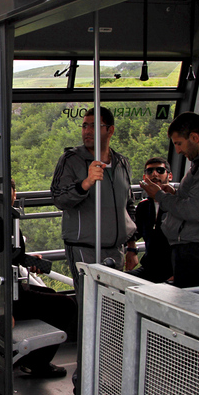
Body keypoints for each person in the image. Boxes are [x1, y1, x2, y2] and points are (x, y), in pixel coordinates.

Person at [51, 107, 138, 290]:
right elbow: (59, 198)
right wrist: (86, 183)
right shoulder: (70, 160)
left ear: (110, 130)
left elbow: (128, 206)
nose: (87, 131)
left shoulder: (122, 163)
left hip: (117, 249)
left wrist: (131, 246)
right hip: (84, 248)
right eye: (84, 126)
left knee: (114, 305)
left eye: (94, 126)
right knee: (90, 303)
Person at [11, 179, 77, 378]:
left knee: (49, 294)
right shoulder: (7, 220)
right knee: (66, 305)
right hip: (8, 293)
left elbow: (10, 256)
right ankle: (38, 362)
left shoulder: (3, 219)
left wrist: (28, 260)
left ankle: (34, 357)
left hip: (12, 289)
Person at [140, 112, 199, 288]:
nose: (178, 151)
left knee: (189, 303)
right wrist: (174, 193)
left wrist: (159, 196)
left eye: (179, 144)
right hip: (188, 249)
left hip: (195, 250)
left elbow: (194, 210)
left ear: (195, 137)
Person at [130, 157, 174, 283]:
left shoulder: (176, 205)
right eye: (150, 171)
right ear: (145, 178)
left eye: (160, 170)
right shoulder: (143, 207)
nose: (155, 174)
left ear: (169, 176)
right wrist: (131, 249)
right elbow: (135, 231)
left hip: (173, 271)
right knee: (116, 284)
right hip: (149, 268)